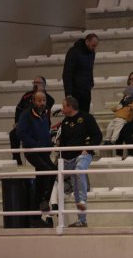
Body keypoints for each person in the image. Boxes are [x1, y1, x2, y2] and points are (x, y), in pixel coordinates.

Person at [58, 96, 102, 227]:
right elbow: (63, 142)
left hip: (83, 155)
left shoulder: (87, 118)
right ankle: (81, 220)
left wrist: (87, 149)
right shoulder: (65, 122)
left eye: (63, 106)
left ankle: (82, 201)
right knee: (56, 179)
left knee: (79, 171)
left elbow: (98, 136)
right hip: (68, 158)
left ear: (70, 107)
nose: (61, 109)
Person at [16, 91, 56, 228]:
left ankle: (41, 206)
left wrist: (49, 145)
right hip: (32, 151)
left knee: (53, 171)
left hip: (43, 152)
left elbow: (45, 133)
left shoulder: (44, 115)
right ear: (33, 101)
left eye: (44, 100)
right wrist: (35, 144)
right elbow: (20, 132)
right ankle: (39, 208)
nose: (42, 103)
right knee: (45, 171)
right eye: (39, 100)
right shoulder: (26, 114)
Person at [10, 76, 54, 165]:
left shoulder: (49, 99)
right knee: (13, 134)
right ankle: (16, 158)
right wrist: (17, 121)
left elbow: (40, 109)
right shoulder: (26, 96)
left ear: (44, 85)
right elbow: (19, 109)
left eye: (38, 83)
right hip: (25, 124)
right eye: (34, 82)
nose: (36, 84)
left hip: (39, 125)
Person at [62, 33, 99, 113]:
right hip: (75, 91)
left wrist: (91, 83)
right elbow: (67, 73)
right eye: (93, 45)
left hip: (86, 91)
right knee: (74, 115)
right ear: (87, 42)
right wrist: (68, 93)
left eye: (95, 46)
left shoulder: (92, 53)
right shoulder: (73, 52)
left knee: (85, 116)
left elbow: (90, 69)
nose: (94, 48)